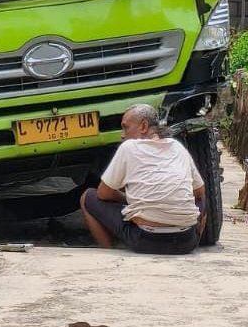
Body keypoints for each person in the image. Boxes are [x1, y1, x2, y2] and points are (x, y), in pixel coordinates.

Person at [79, 104, 206, 255]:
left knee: (88, 197)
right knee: (202, 197)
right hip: (186, 242)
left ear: (144, 126)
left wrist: (128, 199)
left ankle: (109, 254)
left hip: (146, 241)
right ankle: (196, 239)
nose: (122, 135)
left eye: (125, 128)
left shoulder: (129, 147)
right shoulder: (177, 147)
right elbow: (199, 192)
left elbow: (103, 194)